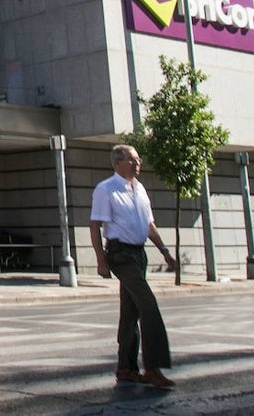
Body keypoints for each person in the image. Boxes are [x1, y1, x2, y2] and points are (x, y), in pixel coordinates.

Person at [90, 144, 177, 390]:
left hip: (139, 254)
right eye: (133, 159)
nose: (138, 163)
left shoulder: (140, 190)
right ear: (117, 163)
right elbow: (95, 225)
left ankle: (126, 368)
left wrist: (164, 251)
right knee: (148, 304)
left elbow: (149, 224)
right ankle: (153, 368)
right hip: (120, 254)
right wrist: (100, 259)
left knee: (130, 312)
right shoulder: (106, 189)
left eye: (139, 159)